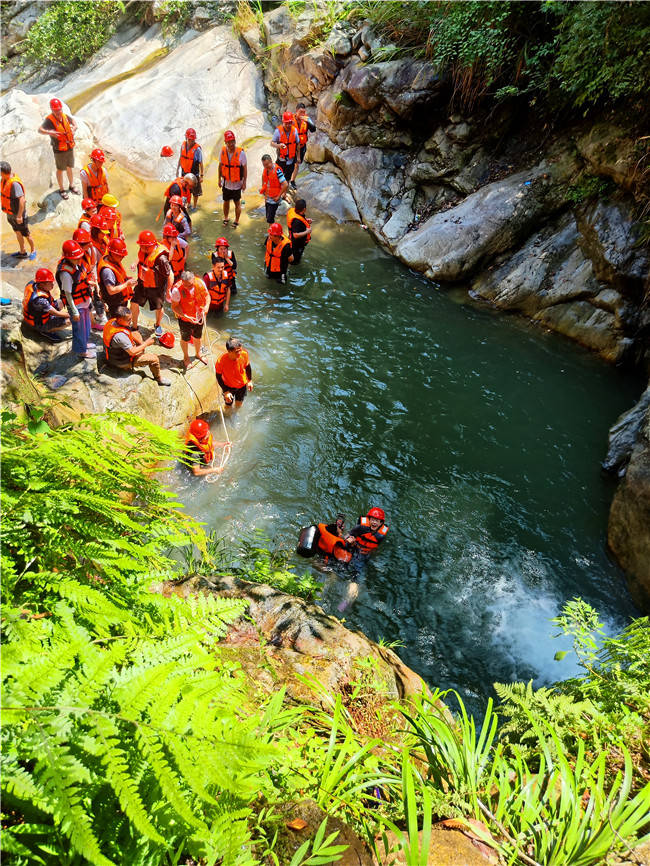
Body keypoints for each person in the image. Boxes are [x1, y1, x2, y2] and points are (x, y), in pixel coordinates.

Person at [102, 305, 170, 386]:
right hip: (121, 362)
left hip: (113, 352)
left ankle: (141, 358)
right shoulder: (119, 336)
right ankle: (159, 379)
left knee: (137, 334)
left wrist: (141, 344)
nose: (131, 321)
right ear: (120, 319)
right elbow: (132, 352)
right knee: (154, 359)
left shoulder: (112, 321)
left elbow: (130, 332)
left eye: (131, 318)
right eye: (128, 320)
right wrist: (145, 344)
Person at [56, 239, 94, 359]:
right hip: (77, 306)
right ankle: (81, 351)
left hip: (84, 302)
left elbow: (82, 280)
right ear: (68, 258)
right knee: (79, 329)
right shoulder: (66, 274)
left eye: (80, 257)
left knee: (87, 326)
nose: (79, 260)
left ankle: (84, 344)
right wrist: (74, 311)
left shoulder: (76, 265)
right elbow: (68, 294)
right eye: (76, 258)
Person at [132, 229, 172, 336]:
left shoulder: (161, 259)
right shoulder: (143, 250)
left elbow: (170, 274)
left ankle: (158, 325)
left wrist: (168, 291)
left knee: (158, 307)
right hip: (141, 283)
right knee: (134, 303)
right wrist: (135, 262)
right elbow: (142, 259)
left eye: (145, 247)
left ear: (152, 245)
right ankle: (134, 327)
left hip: (156, 287)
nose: (143, 248)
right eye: (141, 246)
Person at [38, 97, 78, 199]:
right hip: (59, 149)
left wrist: (74, 127)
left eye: (59, 110)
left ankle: (71, 185)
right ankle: (62, 189)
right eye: (55, 110)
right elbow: (40, 129)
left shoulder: (65, 116)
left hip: (69, 146)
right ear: (52, 110)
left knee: (69, 167)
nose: (57, 112)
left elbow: (73, 121)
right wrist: (50, 132)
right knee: (60, 169)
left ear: (61, 108)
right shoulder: (49, 120)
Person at [170, 270, 210, 369]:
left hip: (199, 317)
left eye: (191, 285)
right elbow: (174, 307)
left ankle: (198, 353)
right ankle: (186, 357)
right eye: (186, 285)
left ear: (194, 279)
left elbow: (207, 296)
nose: (189, 287)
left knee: (197, 337)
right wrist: (185, 316)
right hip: (185, 319)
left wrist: (206, 307)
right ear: (182, 282)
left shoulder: (200, 283)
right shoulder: (176, 290)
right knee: (185, 339)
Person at [22, 267, 70, 340]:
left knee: (64, 300)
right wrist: (71, 315)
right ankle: (46, 331)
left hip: (39, 313)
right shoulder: (39, 300)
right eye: (49, 283)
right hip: (38, 323)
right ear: (41, 284)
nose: (52, 284)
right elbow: (56, 313)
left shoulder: (33, 283)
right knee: (70, 320)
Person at [1, 161, 36, 259]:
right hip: (11, 214)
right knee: (17, 232)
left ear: (3, 172)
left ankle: (33, 250)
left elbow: (22, 200)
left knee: (26, 234)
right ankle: (22, 251)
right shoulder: (4, 180)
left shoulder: (14, 184)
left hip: (18, 215)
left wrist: (19, 215)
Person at [71, 226, 104, 328]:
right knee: (82, 308)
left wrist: (95, 283)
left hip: (87, 281)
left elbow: (91, 267)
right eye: (87, 243)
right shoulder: (73, 257)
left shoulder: (88, 251)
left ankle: (92, 323)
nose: (90, 244)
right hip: (77, 287)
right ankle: (85, 327)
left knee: (88, 304)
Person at [98, 237, 136, 319]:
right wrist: (127, 284)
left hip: (119, 302)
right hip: (114, 305)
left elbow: (118, 279)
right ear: (112, 253)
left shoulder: (112, 260)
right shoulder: (107, 271)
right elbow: (111, 290)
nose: (123, 257)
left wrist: (127, 279)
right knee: (116, 325)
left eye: (123, 255)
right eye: (120, 255)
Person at [218, 130, 247, 228]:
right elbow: (220, 165)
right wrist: (219, 179)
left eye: (232, 141)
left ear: (235, 141)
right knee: (225, 201)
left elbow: (245, 168)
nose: (231, 144)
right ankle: (226, 218)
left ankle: (236, 220)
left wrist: (244, 183)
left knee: (237, 202)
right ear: (225, 143)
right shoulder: (222, 151)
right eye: (229, 142)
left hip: (237, 183)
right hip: (226, 182)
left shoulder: (241, 153)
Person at [214, 337, 253, 409]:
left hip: (242, 385)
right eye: (237, 352)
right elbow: (218, 377)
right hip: (229, 386)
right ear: (229, 351)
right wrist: (225, 391)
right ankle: (228, 416)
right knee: (228, 405)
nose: (239, 353)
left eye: (240, 350)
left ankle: (236, 414)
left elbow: (248, 367)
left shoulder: (244, 354)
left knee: (239, 403)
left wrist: (250, 380)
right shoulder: (221, 361)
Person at [271, 112, 300, 191]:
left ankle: (284, 193)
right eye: (286, 123)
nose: (288, 125)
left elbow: (297, 144)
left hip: (291, 159)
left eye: (290, 123)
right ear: (283, 122)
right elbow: (272, 143)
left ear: (292, 122)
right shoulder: (278, 131)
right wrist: (278, 146)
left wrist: (298, 157)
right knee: (277, 176)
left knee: (288, 177)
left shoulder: (294, 131)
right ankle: (274, 190)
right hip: (282, 160)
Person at [177, 128, 203, 210]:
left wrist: (201, 175)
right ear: (186, 138)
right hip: (184, 172)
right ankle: (188, 204)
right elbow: (181, 158)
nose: (191, 141)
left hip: (194, 173)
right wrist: (177, 169)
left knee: (195, 192)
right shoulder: (183, 145)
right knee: (185, 190)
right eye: (189, 139)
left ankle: (194, 206)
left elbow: (201, 163)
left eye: (192, 140)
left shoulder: (197, 149)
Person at [260, 154, 288, 225]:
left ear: (271, 161)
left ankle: (272, 234)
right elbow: (264, 181)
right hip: (268, 197)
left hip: (274, 199)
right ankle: (272, 232)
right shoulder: (265, 170)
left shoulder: (277, 171)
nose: (266, 166)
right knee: (268, 217)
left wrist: (279, 196)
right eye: (264, 165)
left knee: (270, 219)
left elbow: (285, 184)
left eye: (267, 164)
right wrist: (265, 195)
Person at [286, 198, 311, 264]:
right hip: (296, 245)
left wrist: (306, 220)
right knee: (295, 261)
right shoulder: (297, 222)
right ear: (304, 209)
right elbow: (295, 235)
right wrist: (307, 231)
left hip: (293, 241)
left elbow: (300, 219)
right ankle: (293, 271)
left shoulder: (295, 212)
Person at [294, 103, 316, 171]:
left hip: (302, 147)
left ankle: (292, 179)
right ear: (296, 111)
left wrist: (308, 121)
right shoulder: (291, 120)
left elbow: (313, 129)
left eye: (304, 112)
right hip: (292, 147)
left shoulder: (306, 120)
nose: (302, 114)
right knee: (290, 164)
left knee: (297, 164)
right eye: (300, 112)